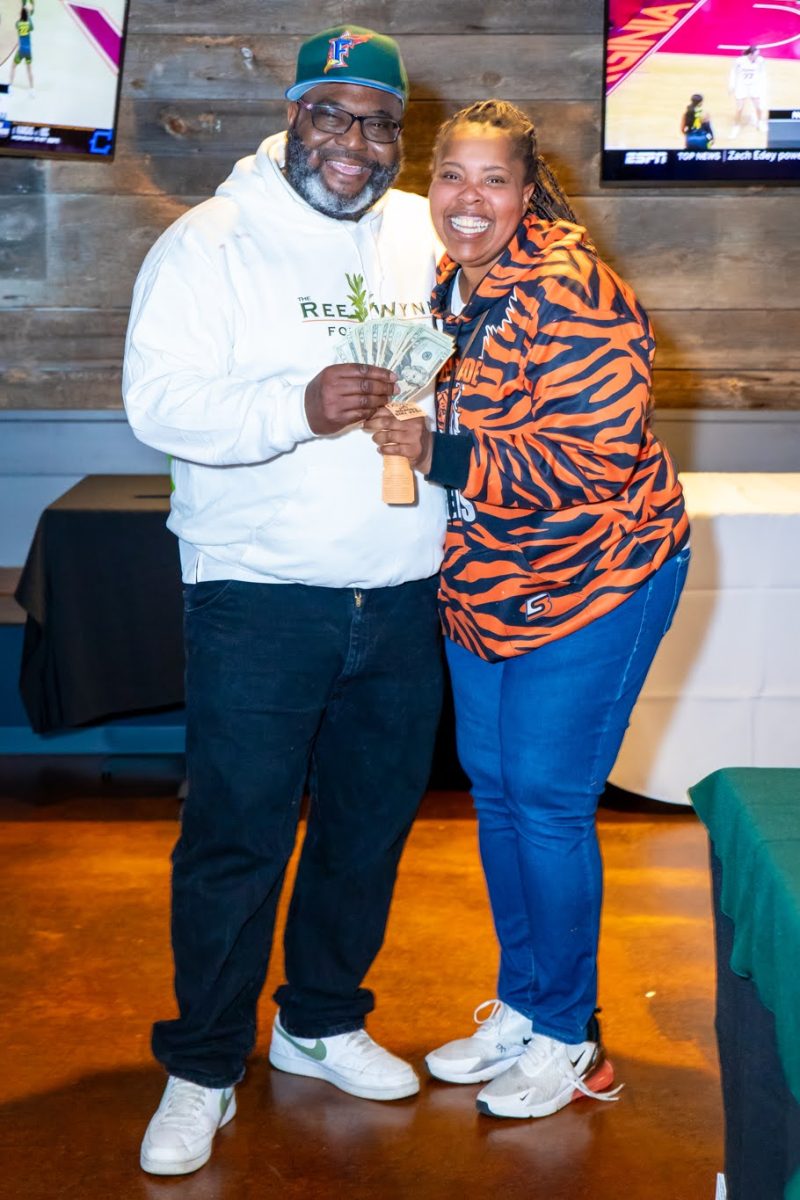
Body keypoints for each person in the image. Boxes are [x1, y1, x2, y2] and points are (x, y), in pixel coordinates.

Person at [123, 25, 447, 1176]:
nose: (352, 142)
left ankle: (318, 1021)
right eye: (330, 113)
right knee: (236, 839)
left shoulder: (424, 231)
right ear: (293, 115)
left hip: (401, 592)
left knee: (365, 829)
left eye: (377, 123)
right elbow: (157, 403)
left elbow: (466, 361)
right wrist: (294, 408)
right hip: (258, 596)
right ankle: (204, 1064)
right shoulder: (208, 242)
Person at [367, 100, 690, 1121]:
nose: (468, 198)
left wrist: (438, 453)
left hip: (602, 570)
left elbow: (592, 463)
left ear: (527, 189)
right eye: (451, 176)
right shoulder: (451, 282)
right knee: (499, 792)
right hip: (492, 576)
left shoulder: (574, 292)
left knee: (547, 799)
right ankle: (524, 1002)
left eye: (492, 179)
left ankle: (570, 1038)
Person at [729, 45, 767, 136]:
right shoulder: (739, 61)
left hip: (754, 86)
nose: (758, 56)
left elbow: (762, 73)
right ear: (750, 54)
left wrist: (762, 86)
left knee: (759, 107)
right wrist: (732, 85)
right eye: (756, 55)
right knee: (739, 108)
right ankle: (736, 126)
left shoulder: (760, 61)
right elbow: (733, 72)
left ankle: (760, 122)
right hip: (742, 86)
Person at [9, 5, 34, 98]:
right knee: (29, 70)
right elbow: (32, 27)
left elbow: (17, 24)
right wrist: (29, 13)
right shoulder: (29, 24)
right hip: (28, 51)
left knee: (13, 67)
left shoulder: (18, 24)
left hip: (21, 51)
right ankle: (32, 89)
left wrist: (24, 13)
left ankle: (10, 86)